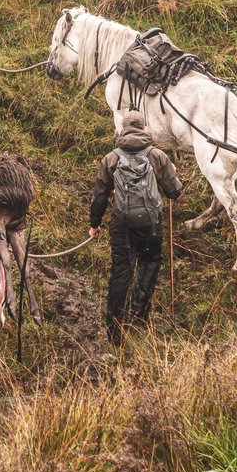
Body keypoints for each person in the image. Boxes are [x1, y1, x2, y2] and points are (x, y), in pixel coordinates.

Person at [88, 111, 183, 343]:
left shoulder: (110, 159)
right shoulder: (157, 156)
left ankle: (114, 330)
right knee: (150, 262)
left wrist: (95, 224)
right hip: (151, 224)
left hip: (122, 225)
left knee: (121, 271)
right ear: (143, 127)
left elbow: (99, 196)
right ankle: (138, 316)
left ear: (122, 128)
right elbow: (175, 191)